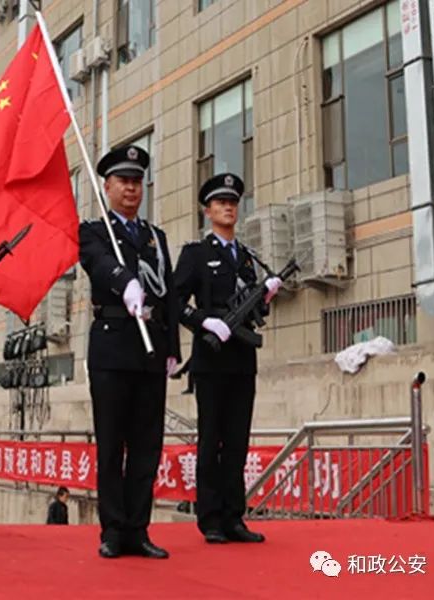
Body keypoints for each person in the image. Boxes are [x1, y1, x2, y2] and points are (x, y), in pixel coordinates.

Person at [79, 145, 181, 559]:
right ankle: (113, 529)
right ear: (107, 186)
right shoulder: (95, 230)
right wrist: (124, 281)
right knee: (111, 443)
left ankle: (139, 528)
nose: (131, 189)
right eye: (123, 181)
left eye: (137, 181)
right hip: (112, 346)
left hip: (150, 349)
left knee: (146, 445)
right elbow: (97, 262)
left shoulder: (155, 237)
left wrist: (172, 347)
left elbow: (170, 294)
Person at [173, 173, 282, 544]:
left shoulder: (247, 258)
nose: (228, 207)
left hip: (241, 359)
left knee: (238, 441)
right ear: (208, 211)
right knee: (211, 440)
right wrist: (204, 321)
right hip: (211, 357)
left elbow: (254, 313)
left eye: (233, 202)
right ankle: (211, 519)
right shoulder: (196, 254)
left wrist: (264, 296)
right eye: (220, 203)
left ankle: (235, 516)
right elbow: (174, 302)